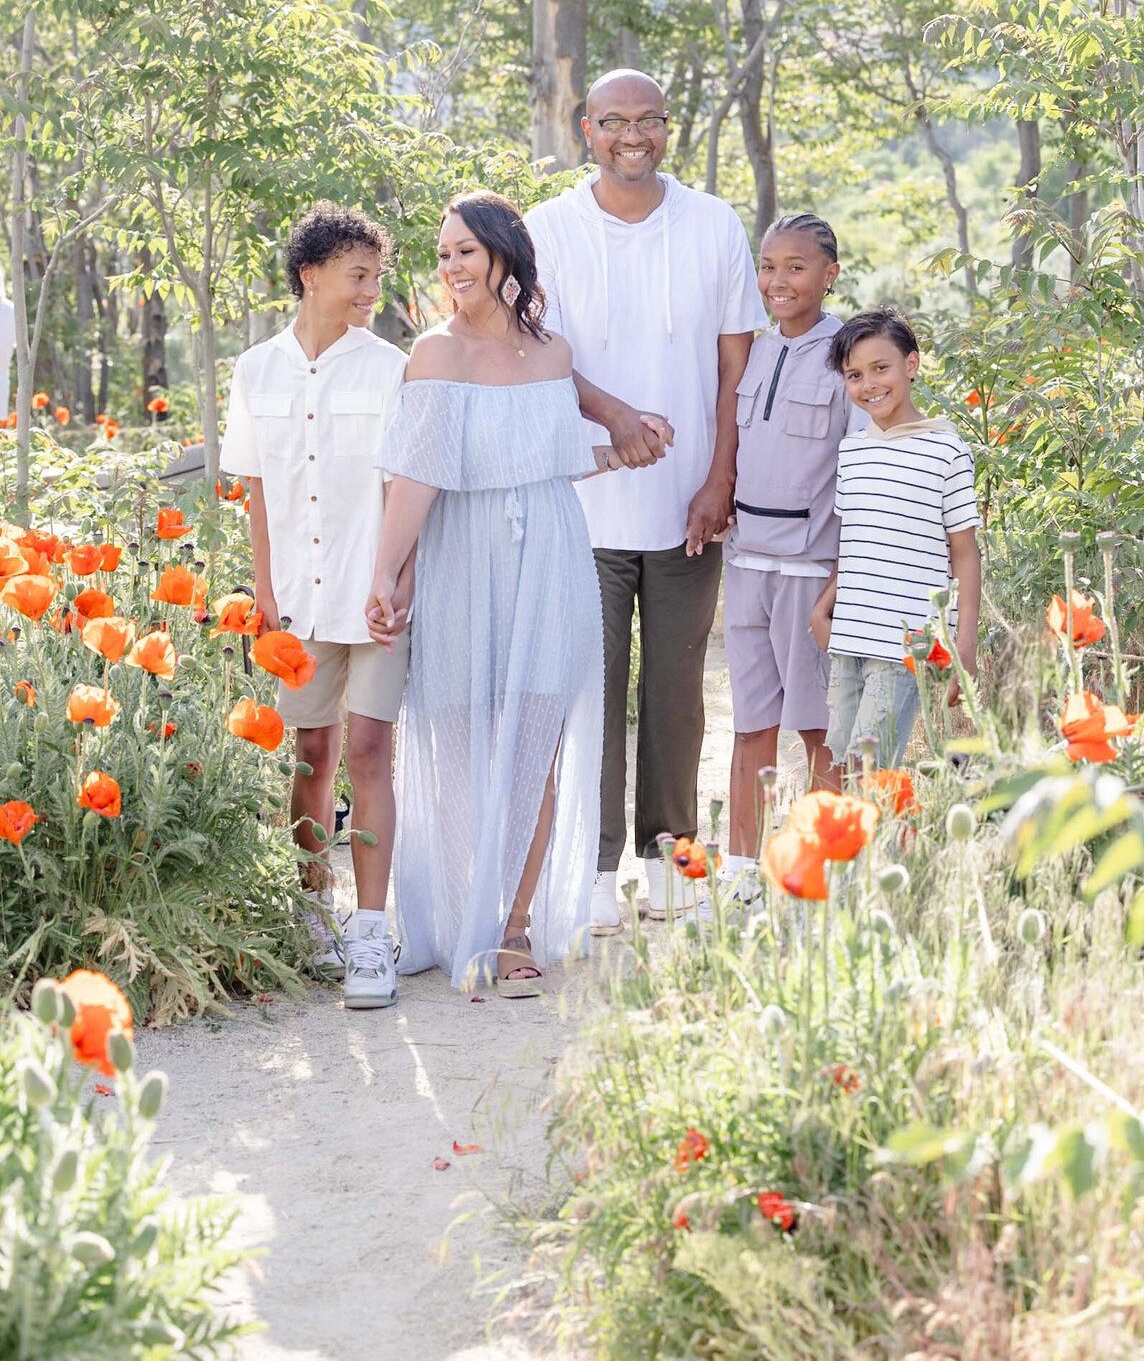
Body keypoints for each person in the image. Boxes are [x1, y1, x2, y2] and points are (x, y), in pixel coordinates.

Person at [366, 191, 639, 995]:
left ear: (504, 255)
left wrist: (623, 451)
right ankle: (465, 916)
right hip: (463, 555)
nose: (451, 267)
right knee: (459, 737)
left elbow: (550, 456)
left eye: (465, 252)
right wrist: (387, 570)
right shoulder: (436, 354)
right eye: (444, 253)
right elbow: (417, 477)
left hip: (549, 551)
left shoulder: (552, 352)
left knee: (535, 741)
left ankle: (517, 927)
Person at [525, 69, 762, 935]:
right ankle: (589, 869)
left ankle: (671, 864)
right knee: (590, 691)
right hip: (582, 503)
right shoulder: (546, 229)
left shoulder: (713, 224)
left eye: (649, 121)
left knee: (675, 691)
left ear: (669, 127)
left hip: (688, 507)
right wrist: (616, 416)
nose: (634, 136)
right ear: (585, 128)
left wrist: (719, 480)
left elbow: (736, 367)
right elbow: (535, 350)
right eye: (614, 122)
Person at [220, 202, 409, 1009]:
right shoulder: (255, 370)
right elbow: (257, 490)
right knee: (308, 755)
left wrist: (394, 580)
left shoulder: (391, 368)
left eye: (375, 275)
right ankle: (309, 915)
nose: (371, 290)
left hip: (374, 598)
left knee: (368, 750)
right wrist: (264, 590)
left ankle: (370, 934)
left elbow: (403, 488)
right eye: (357, 275)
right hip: (296, 598)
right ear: (311, 275)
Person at [718, 214, 862, 902]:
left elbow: (860, 472)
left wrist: (842, 577)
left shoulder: (849, 357)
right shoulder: (753, 351)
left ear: (829, 274)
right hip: (746, 567)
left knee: (818, 731)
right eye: (769, 265)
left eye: (796, 266)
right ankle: (742, 879)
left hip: (811, 576)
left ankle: (820, 875)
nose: (779, 280)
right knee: (750, 727)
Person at [810, 309, 981, 771]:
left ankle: (881, 844)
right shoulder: (853, 451)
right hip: (850, 636)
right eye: (854, 375)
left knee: (871, 769)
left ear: (911, 364)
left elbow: (964, 553)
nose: (869, 384)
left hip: (906, 643)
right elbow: (857, 541)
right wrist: (823, 607)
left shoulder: (946, 449)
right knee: (843, 766)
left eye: (880, 368)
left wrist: (965, 641)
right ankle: (862, 847)